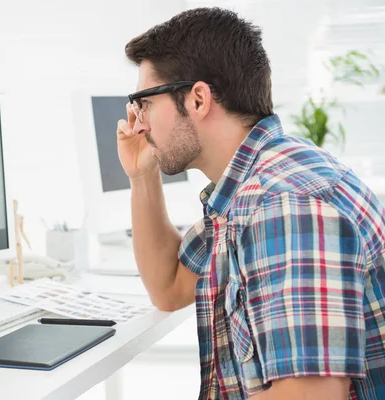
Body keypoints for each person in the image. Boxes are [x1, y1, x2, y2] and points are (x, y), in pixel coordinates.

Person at [117, 8, 385, 399]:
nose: (138, 123)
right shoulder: (254, 183)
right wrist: (142, 176)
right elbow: (169, 286)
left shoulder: (284, 205)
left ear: (197, 99)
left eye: (144, 103)